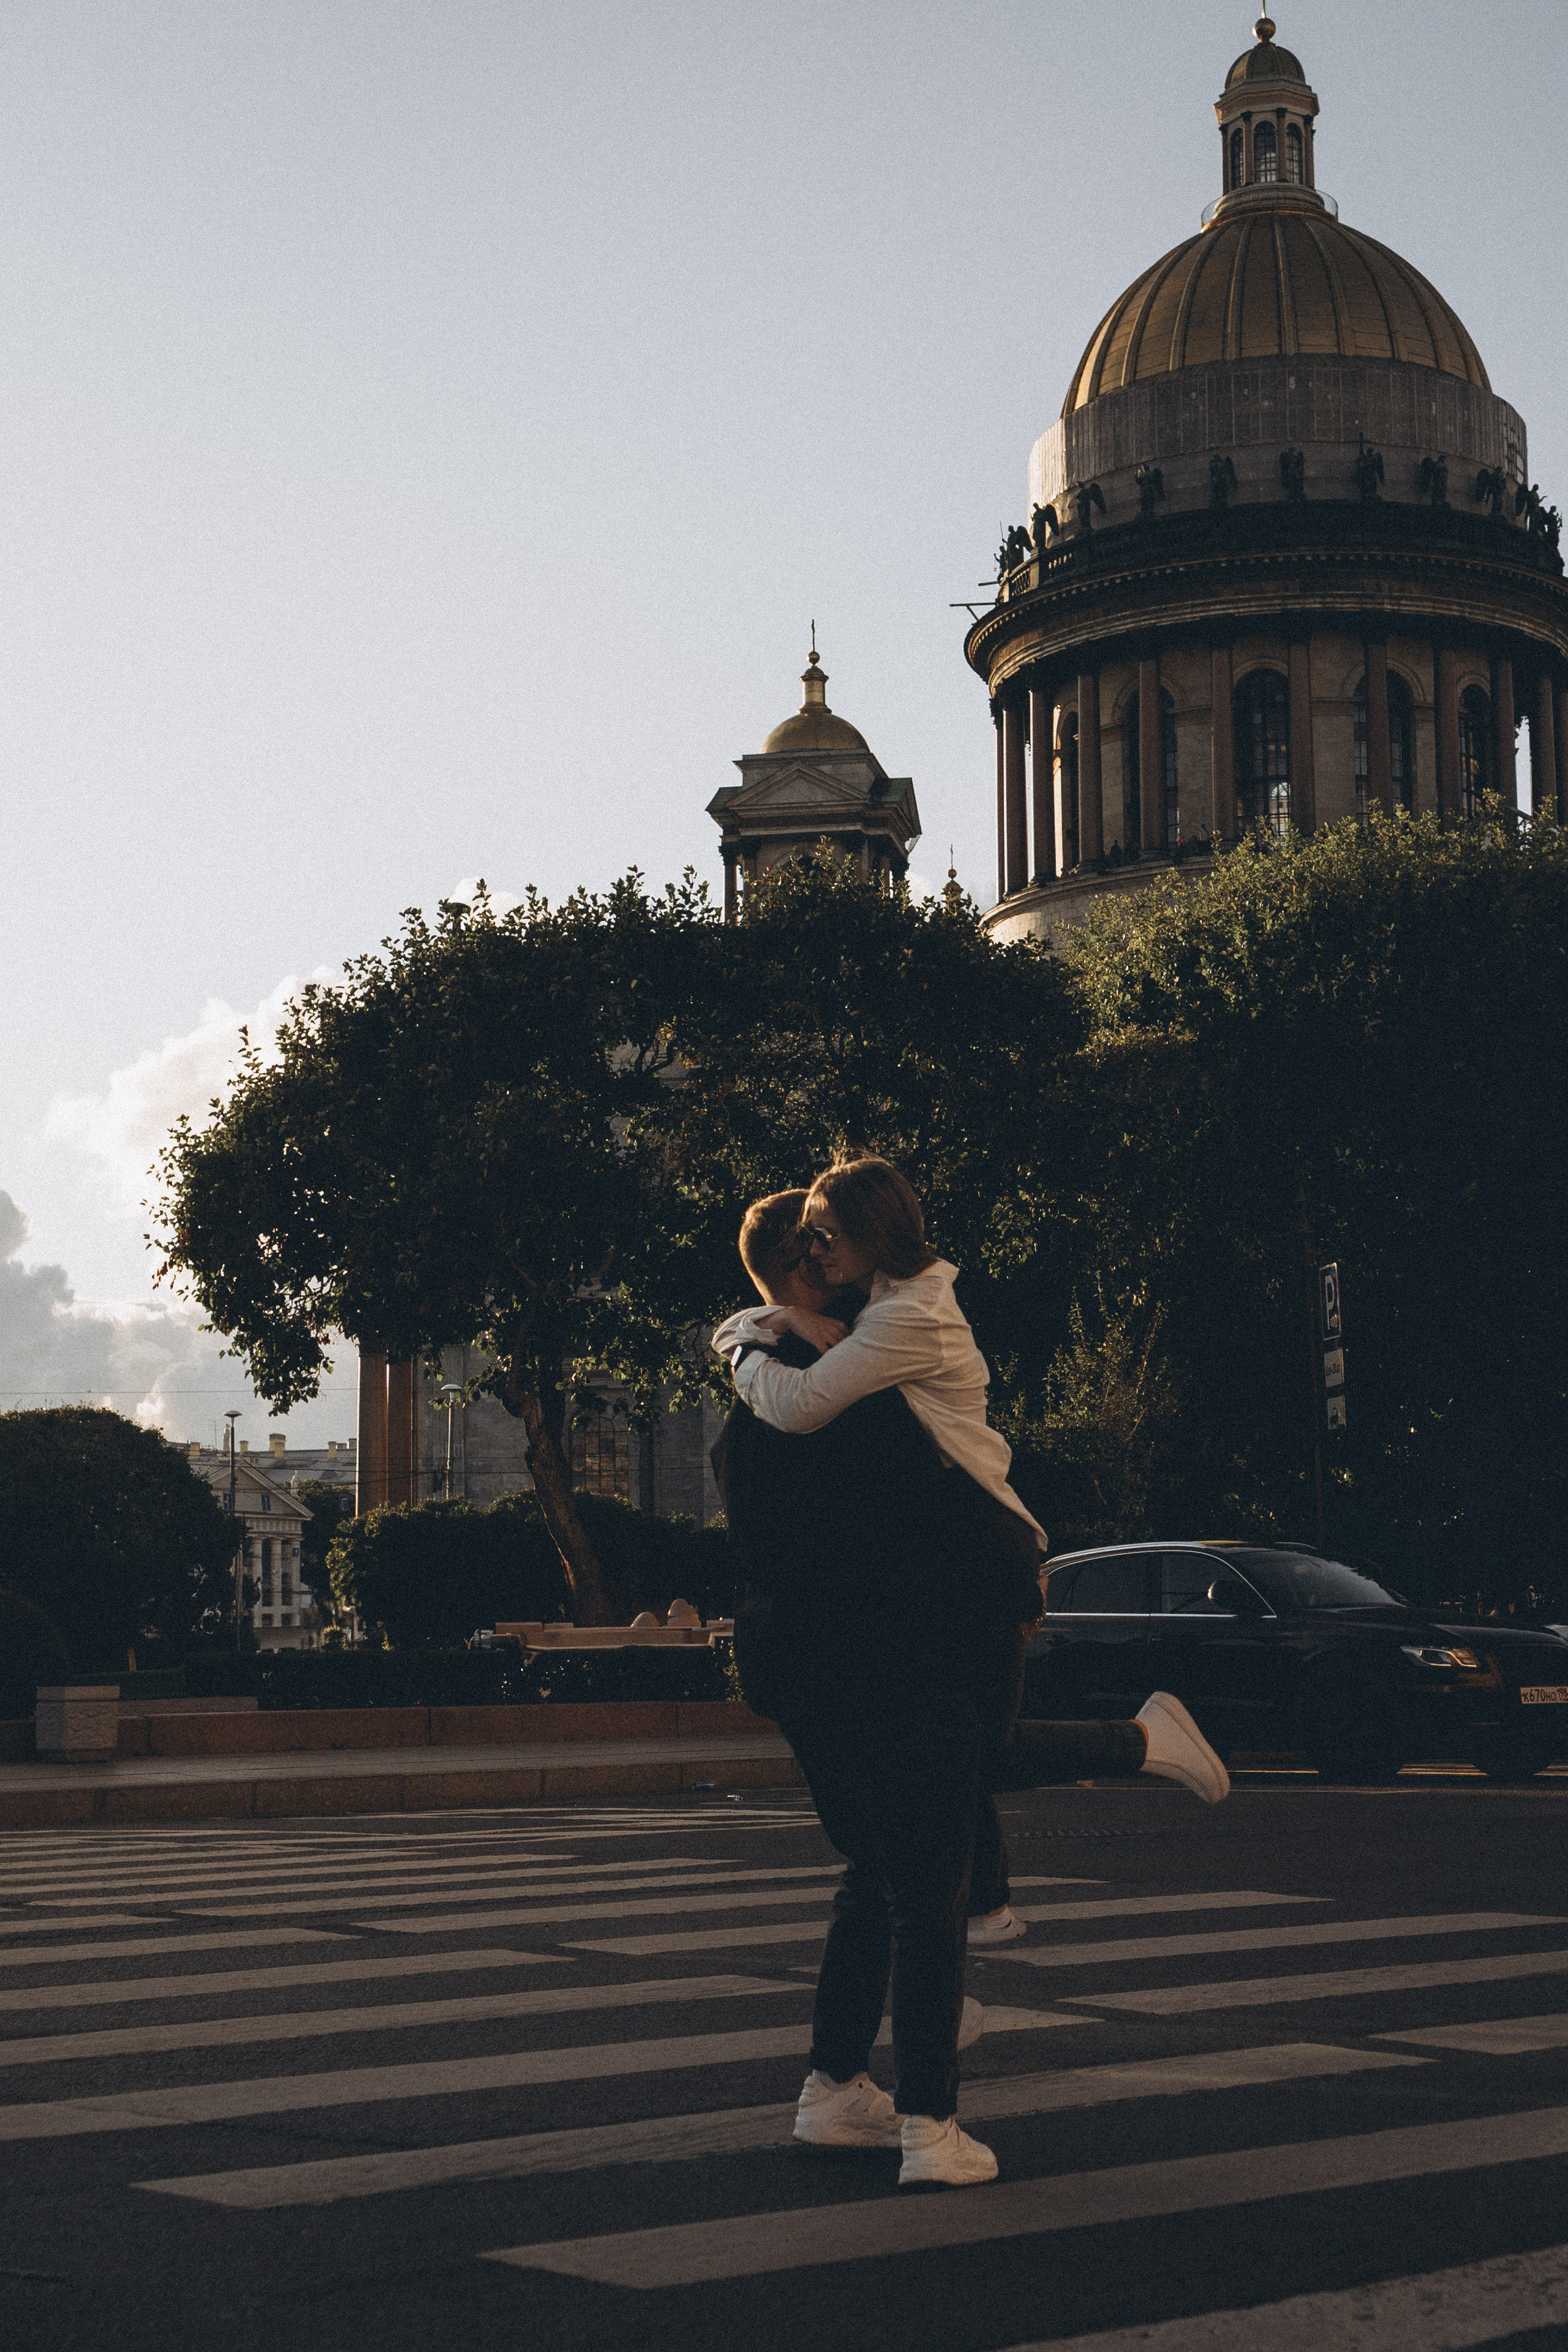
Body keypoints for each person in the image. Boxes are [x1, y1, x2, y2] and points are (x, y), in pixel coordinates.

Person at [711, 1163, 1227, 2190]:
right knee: (926, 1880)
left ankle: (833, 2087)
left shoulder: (850, 1361)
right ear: (794, 1277)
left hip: (810, 1665)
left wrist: (739, 1336)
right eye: (806, 1251)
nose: (823, 1262)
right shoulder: (840, 1396)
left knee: (885, 1870)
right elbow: (887, 1506)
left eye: (829, 1239)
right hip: (889, 1648)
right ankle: (930, 2128)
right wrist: (746, 1336)